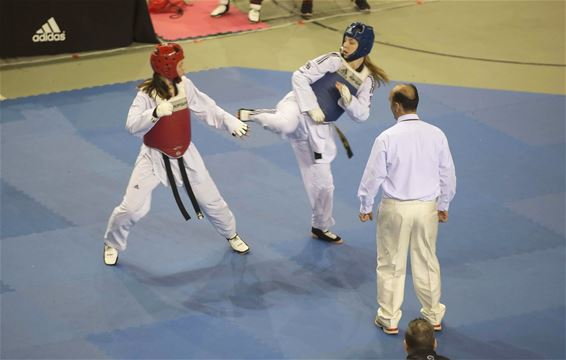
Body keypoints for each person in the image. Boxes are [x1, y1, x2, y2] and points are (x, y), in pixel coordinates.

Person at [238, 22, 388, 244]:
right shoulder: (332, 59)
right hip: (298, 108)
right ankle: (256, 114)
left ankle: (320, 226)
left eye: (352, 42)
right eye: (345, 39)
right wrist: (311, 106)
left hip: (319, 129)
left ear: (364, 47)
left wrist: (348, 101)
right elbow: (299, 76)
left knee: (324, 184)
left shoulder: (367, 80)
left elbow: (362, 115)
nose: (345, 45)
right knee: (284, 125)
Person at [103, 43, 251, 266]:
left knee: (211, 201)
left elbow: (207, 108)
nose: (185, 67)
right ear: (168, 68)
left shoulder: (185, 86)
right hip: (153, 157)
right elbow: (131, 125)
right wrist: (154, 113)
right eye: (180, 64)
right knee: (131, 207)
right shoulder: (146, 94)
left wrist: (229, 121)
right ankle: (112, 243)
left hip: (186, 154)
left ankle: (231, 233)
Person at [357, 84, 456, 335]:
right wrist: (443, 204)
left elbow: (373, 176)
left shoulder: (387, 138)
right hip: (426, 208)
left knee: (390, 263)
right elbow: (447, 173)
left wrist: (365, 205)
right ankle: (433, 314)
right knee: (427, 260)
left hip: (395, 209)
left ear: (397, 106)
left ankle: (389, 318)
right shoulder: (437, 134)